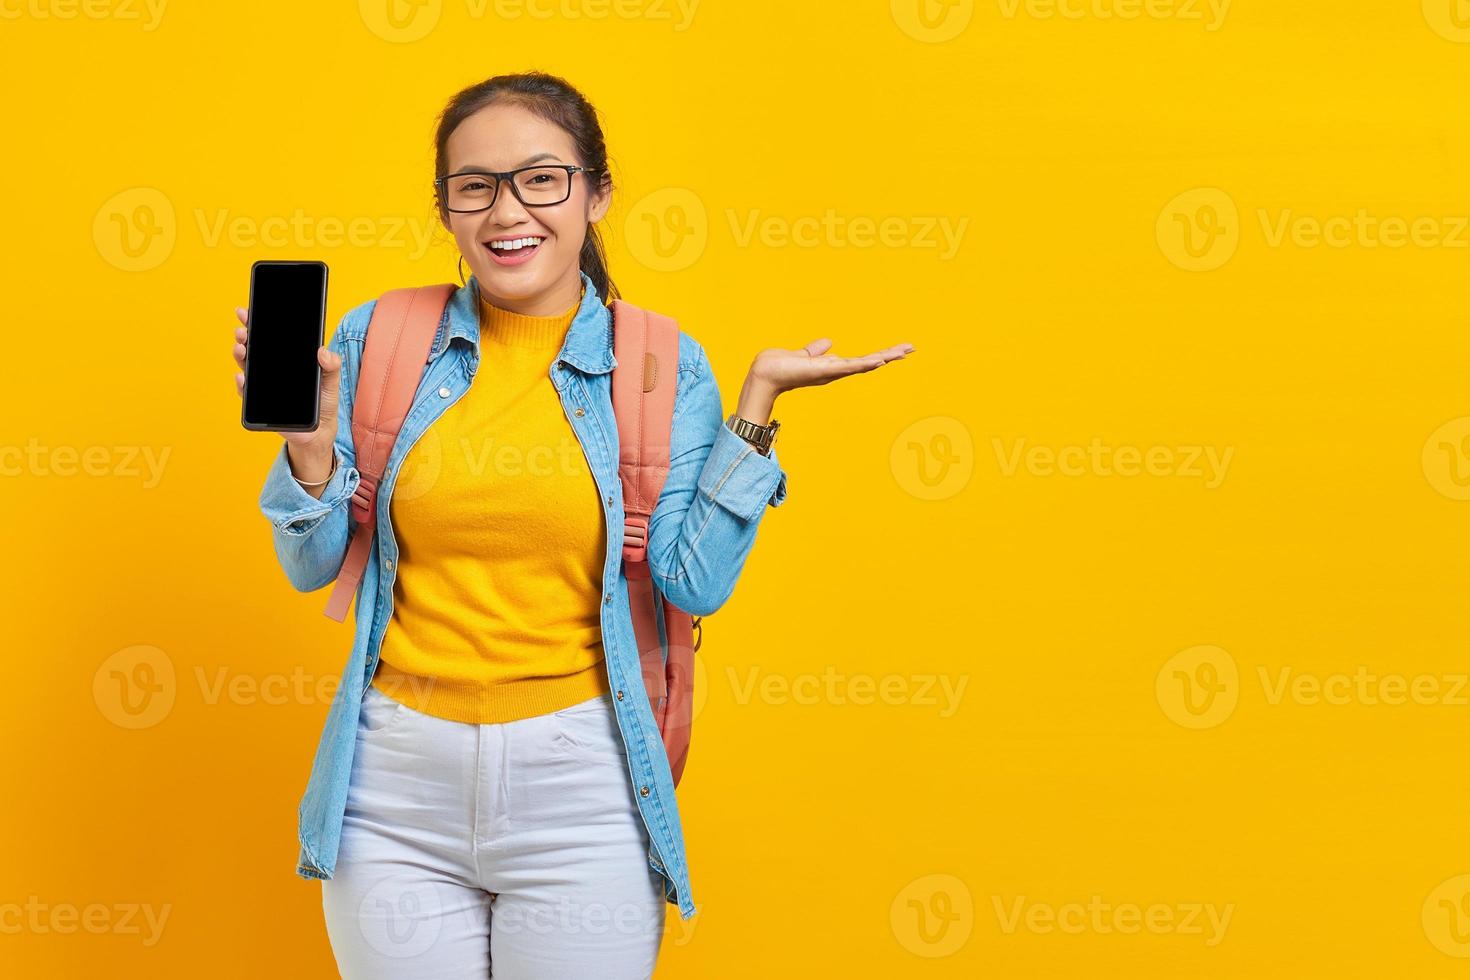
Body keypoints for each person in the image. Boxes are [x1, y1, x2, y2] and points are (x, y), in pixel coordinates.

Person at [231, 70, 914, 978]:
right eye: (474, 185)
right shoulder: (378, 339)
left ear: (595, 194)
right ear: (447, 210)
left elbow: (691, 582)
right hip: (393, 789)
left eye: (541, 178)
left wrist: (753, 412)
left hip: (581, 788)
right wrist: (310, 447)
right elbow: (313, 565)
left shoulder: (659, 363)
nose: (506, 209)